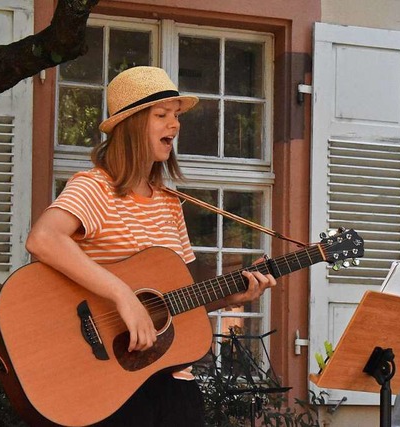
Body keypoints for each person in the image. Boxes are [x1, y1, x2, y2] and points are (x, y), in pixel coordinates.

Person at [25, 66, 277, 426]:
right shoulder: (94, 187)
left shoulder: (167, 202)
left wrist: (231, 295)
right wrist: (124, 296)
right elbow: (43, 239)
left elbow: (182, 293)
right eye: (161, 116)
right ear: (130, 125)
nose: (174, 125)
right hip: (111, 381)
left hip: (173, 379)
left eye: (175, 116)